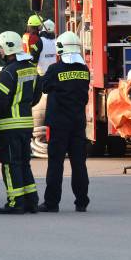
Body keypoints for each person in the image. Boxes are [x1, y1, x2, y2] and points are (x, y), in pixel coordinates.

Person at [38, 32, 91, 212]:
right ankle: (82, 202)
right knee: (79, 164)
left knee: (55, 164)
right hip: (77, 124)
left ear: (60, 49)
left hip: (58, 124)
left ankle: (52, 203)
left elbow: (44, 87)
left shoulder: (55, 69)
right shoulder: (84, 70)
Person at [0, 31, 42, 214]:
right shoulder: (30, 68)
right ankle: (31, 200)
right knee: (23, 163)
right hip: (27, 124)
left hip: (9, 126)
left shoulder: (8, 72)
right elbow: (36, 96)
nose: (0, 53)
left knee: (10, 164)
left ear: (8, 48)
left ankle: (16, 202)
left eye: (1, 49)